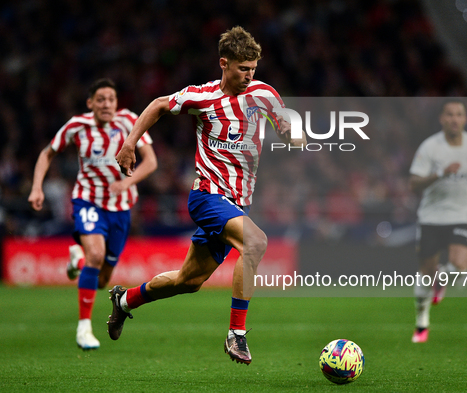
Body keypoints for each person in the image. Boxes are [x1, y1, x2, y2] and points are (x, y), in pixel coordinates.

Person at [107, 26, 305, 365]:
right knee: (255, 243)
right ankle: (236, 335)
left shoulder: (265, 95)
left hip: (236, 203)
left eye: (254, 69)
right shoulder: (202, 97)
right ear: (224, 63)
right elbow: (157, 105)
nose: (249, 76)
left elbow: (290, 134)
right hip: (207, 196)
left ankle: (124, 301)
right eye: (243, 69)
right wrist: (129, 143)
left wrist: (293, 134)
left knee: (189, 281)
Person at [28, 78, 157, 350]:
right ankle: (84, 328)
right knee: (96, 255)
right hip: (88, 200)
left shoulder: (129, 121)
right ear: (90, 103)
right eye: (100, 99)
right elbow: (46, 153)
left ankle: (77, 259)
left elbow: (151, 161)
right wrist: (36, 187)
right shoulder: (77, 125)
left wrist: (126, 183)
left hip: (121, 208)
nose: (106, 103)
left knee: (102, 280)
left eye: (111, 98)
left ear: (116, 102)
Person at [408, 100, 467, 343]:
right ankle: (422, 322)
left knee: (460, 265)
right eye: (450, 115)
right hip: (431, 217)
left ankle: (441, 279)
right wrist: (440, 174)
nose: (454, 119)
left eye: (459, 114)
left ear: (465, 119)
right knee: (425, 274)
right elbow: (413, 183)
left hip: (460, 215)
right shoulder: (430, 148)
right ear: (442, 119)